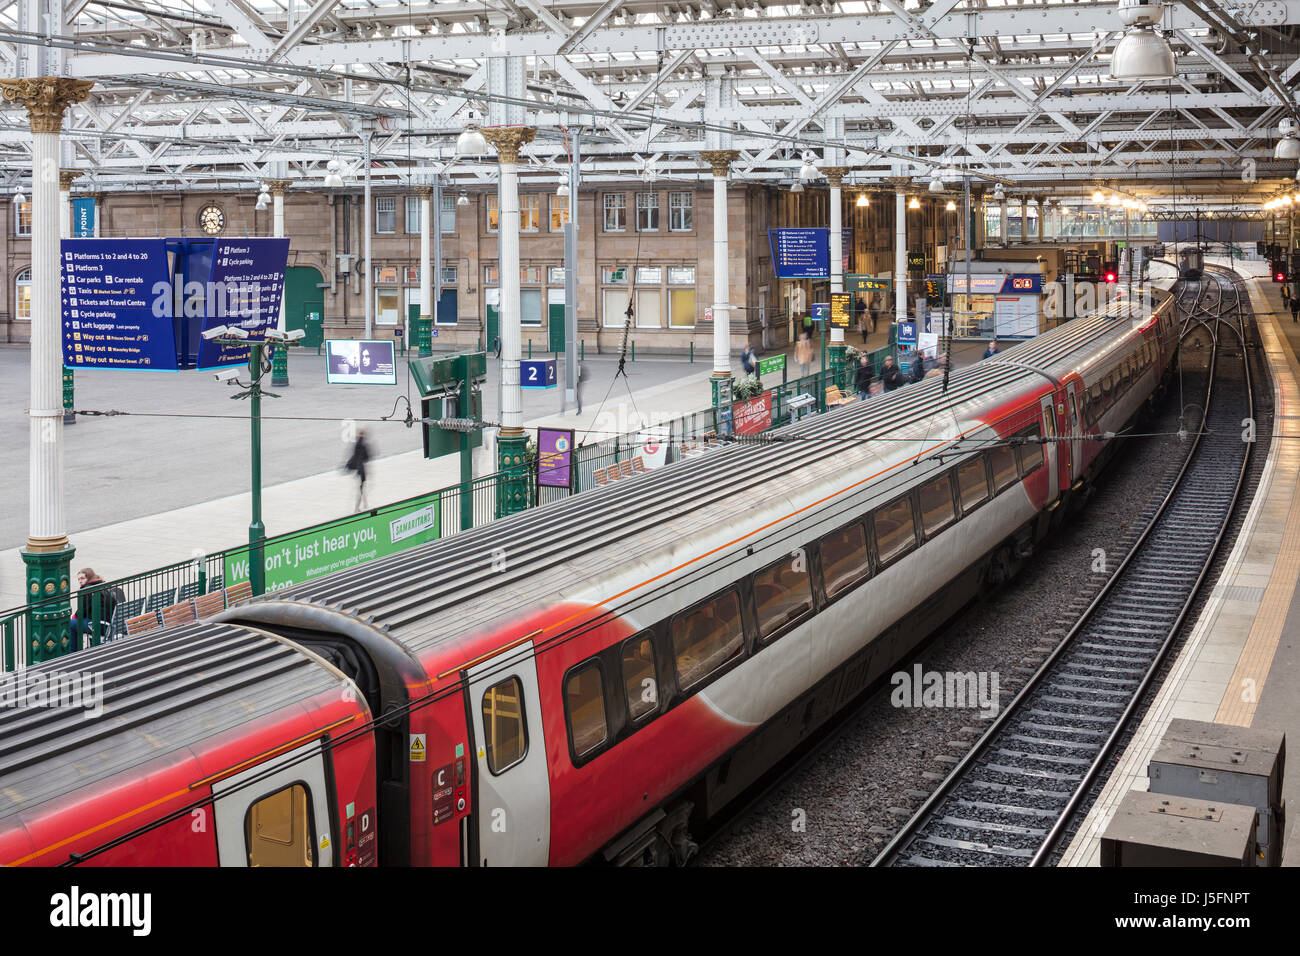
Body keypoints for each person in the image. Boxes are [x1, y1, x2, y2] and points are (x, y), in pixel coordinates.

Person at [69, 568, 117, 646]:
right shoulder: (104, 586)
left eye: (83, 578)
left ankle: (73, 652)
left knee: (70, 623)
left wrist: (74, 617)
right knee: (76, 622)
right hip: (108, 625)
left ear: (89, 577)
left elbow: (82, 611)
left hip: (98, 626)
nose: (80, 581)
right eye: (79, 579)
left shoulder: (88, 590)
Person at [345, 428, 373, 512]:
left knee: (361, 487)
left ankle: (365, 503)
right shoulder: (364, 445)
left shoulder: (357, 444)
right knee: (361, 487)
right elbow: (367, 457)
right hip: (362, 469)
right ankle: (357, 507)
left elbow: (354, 456)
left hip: (358, 468)